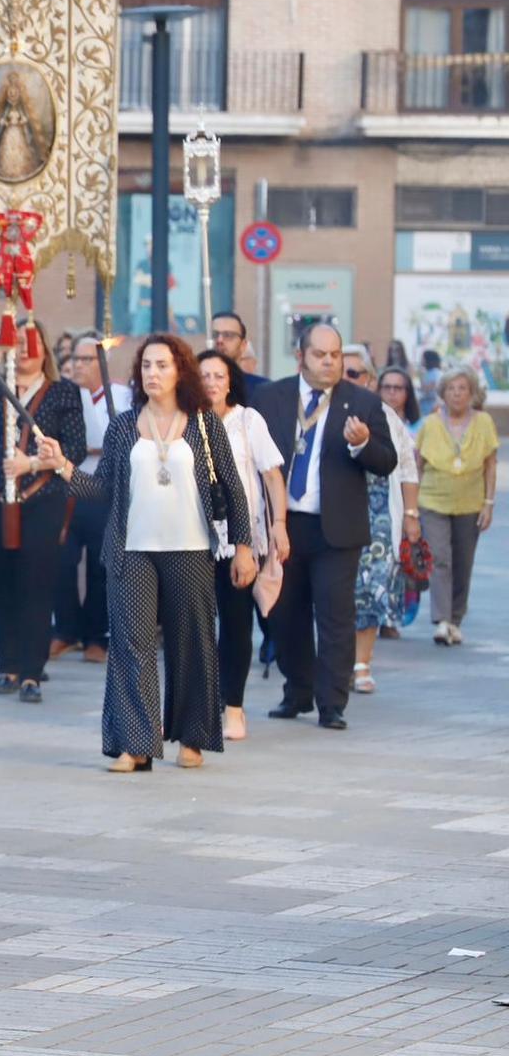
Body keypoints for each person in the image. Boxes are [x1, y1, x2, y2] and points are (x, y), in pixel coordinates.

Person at [41, 334, 253, 772]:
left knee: (191, 643)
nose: (152, 374)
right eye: (146, 366)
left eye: (162, 365)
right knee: (131, 645)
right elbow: (100, 490)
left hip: (191, 549)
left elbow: (232, 485)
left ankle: (191, 737)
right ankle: (136, 744)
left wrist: (244, 545)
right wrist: (62, 465)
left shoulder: (202, 423)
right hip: (132, 550)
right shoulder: (123, 426)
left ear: (181, 371)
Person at [250, 323, 397, 730]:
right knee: (284, 615)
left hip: (336, 530)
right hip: (283, 526)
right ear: (301, 357)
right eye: (321, 355)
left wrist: (363, 443)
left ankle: (332, 703)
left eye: (335, 355)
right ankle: (297, 691)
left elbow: (386, 462)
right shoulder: (271, 398)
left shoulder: (363, 403)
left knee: (335, 616)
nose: (330, 362)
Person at [0, 324, 86, 702]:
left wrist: (31, 464)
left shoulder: (63, 391)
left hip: (40, 498)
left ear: (45, 350)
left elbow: (75, 448)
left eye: (32, 344)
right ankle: (7, 665)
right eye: (19, 344)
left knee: (35, 584)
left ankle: (31, 670)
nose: (26, 351)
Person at [198, 350, 288, 741]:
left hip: (240, 537)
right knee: (195, 626)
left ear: (231, 381)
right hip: (192, 537)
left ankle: (233, 706)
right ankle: (198, 704)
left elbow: (271, 476)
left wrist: (280, 526)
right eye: (204, 376)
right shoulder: (185, 421)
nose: (212, 383)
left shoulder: (248, 421)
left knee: (235, 624)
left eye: (219, 375)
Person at [344, 349, 420, 695]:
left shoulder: (386, 417)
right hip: (335, 517)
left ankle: (362, 664)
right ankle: (339, 660)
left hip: (377, 516)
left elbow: (407, 468)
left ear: (370, 381)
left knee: (371, 589)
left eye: (356, 373)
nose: (349, 379)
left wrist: (410, 515)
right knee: (338, 594)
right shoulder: (319, 412)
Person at [53, 332, 130, 665]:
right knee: (62, 560)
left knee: (101, 564)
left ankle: (97, 635)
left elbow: (124, 438)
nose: (79, 365)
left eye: (86, 359)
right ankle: (66, 629)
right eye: (75, 360)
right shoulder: (65, 395)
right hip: (68, 486)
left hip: (105, 487)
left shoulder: (123, 395)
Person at [415, 364, 497, 647]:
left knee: (463, 562)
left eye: (462, 388)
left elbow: (490, 463)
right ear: (443, 393)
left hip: (470, 503)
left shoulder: (484, 422)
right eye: (451, 389)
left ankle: (456, 618)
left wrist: (489, 503)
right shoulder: (431, 423)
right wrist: (411, 507)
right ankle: (442, 620)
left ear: (472, 392)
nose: (457, 394)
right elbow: (418, 464)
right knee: (439, 558)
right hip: (433, 500)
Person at [374, 367, 424, 642]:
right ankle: (375, 616)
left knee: (398, 560)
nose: (392, 392)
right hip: (379, 502)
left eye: (398, 387)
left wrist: (412, 511)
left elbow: (413, 468)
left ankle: (391, 617)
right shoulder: (372, 417)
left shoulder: (417, 426)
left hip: (407, 498)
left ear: (408, 393)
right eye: (387, 387)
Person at [209, 312, 267, 393]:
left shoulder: (261, 389)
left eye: (228, 335)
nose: (219, 340)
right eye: (215, 334)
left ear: (243, 345)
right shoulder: (196, 386)